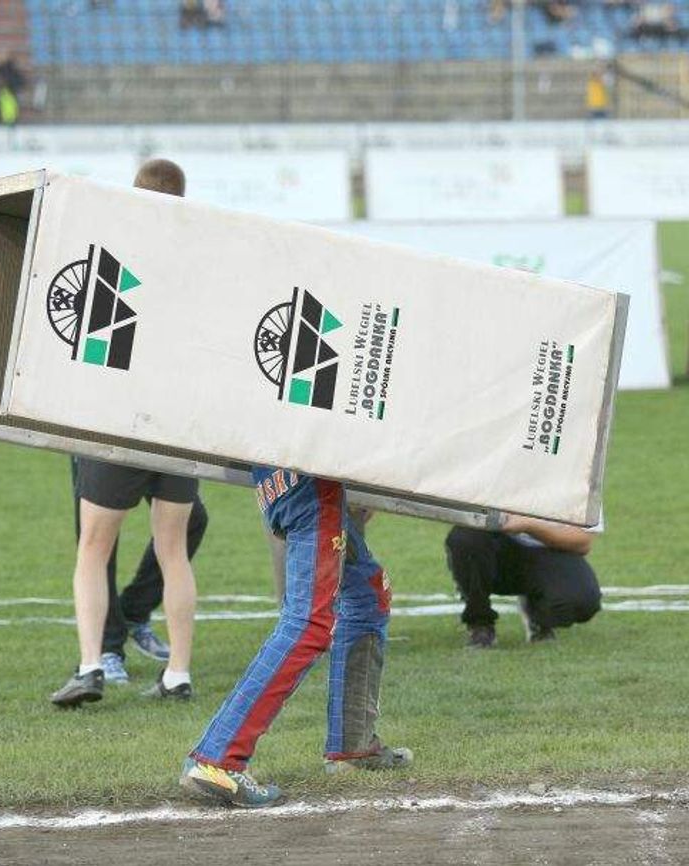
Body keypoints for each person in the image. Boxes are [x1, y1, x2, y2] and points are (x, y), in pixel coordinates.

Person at [51, 159, 203, 708]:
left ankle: (93, 664)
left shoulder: (109, 250)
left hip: (120, 418)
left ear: (132, 195)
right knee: (173, 550)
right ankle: (178, 674)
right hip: (177, 425)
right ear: (183, 198)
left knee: (93, 548)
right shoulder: (199, 259)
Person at [179, 471, 411, 808]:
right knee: (308, 623)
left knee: (367, 594)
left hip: (296, 478)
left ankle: (353, 747)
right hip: (309, 483)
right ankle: (217, 760)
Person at [65, 457, 209, 685]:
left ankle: (93, 665)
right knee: (103, 545)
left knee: (95, 547)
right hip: (163, 438)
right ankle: (109, 652)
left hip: (141, 437)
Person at [445, 514, 601, 648]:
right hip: (494, 547)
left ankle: (537, 613)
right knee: (466, 538)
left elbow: (582, 542)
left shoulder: (577, 480)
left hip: (548, 550)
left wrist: (529, 525)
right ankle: (479, 622)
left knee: (582, 600)